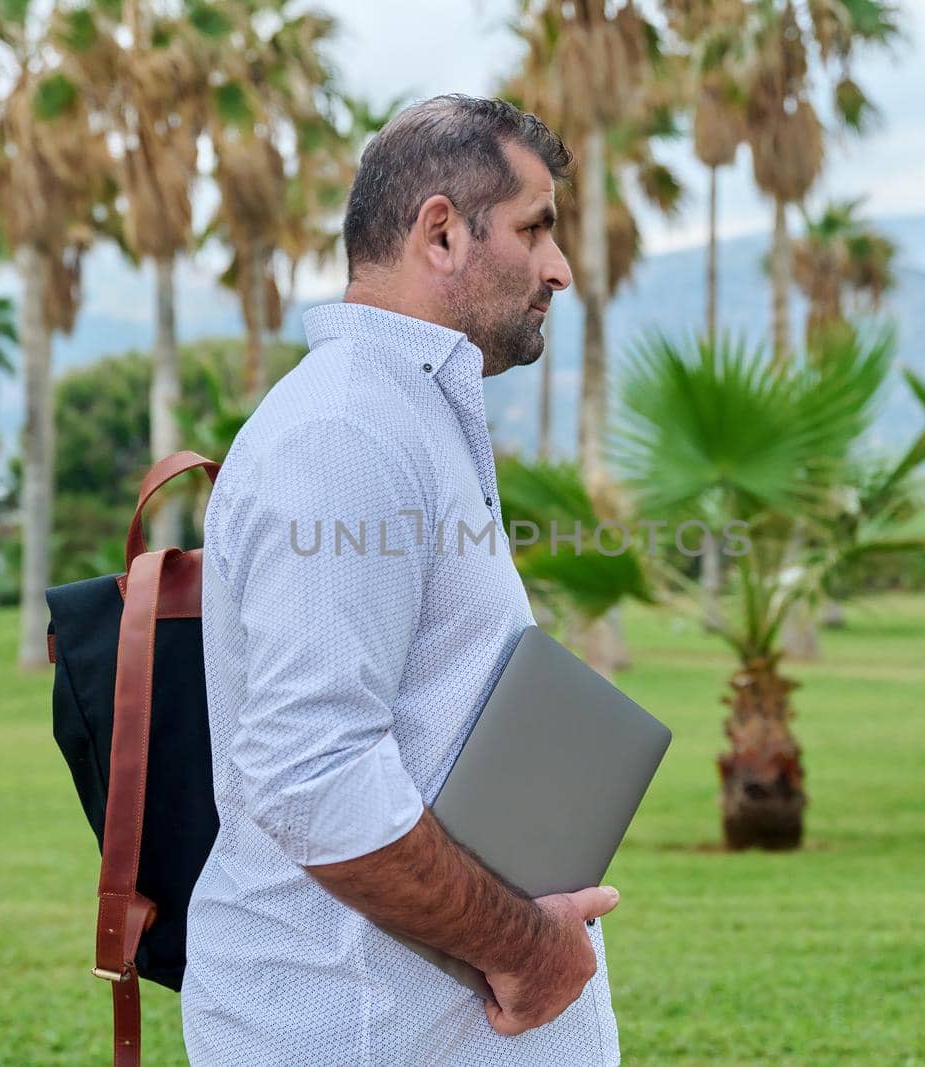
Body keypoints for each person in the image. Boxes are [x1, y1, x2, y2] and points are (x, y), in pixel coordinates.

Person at [182, 94, 623, 1065]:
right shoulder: (345, 436)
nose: (558, 268)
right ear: (439, 232)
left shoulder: (401, 415)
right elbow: (312, 771)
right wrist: (526, 948)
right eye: (535, 227)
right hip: (367, 1031)